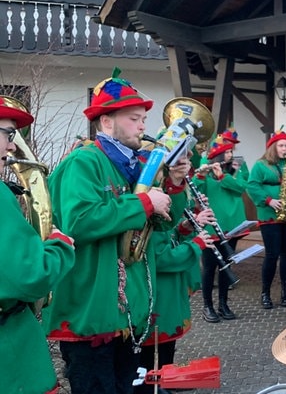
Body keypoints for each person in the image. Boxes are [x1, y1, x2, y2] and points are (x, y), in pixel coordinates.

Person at [44, 70, 188, 394]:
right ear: (106, 122)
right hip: (92, 316)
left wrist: (175, 185)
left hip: (128, 314)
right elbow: (78, 221)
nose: (143, 126)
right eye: (134, 118)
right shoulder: (83, 162)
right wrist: (144, 203)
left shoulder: (137, 164)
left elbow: (163, 225)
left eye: (143, 119)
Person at [0, 96, 76, 394]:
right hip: (10, 354)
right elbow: (31, 277)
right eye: (8, 133)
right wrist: (60, 245)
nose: (12, 145)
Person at [135, 166, 216, 394]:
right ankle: (154, 386)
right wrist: (197, 245)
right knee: (150, 352)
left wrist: (184, 227)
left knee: (166, 347)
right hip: (159, 294)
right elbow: (161, 258)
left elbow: (169, 237)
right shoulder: (147, 216)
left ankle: (165, 383)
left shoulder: (160, 214)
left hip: (170, 291)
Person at [247, 127, 286, 309]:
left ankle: (285, 292)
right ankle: (265, 293)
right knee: (271, 254)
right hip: (270, 215)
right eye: (281, 146)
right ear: (273, 147)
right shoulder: (261, 165)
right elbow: (252, 186)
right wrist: (268, 200)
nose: (285, 149)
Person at [193, 134, 248, 322]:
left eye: (231, 151)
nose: (231, 155)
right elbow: (195, 188)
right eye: (228, 152)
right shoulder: (205, 171)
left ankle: (223, 304)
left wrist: (222, 176)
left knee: (227, 265)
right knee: (209, 268)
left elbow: (241, 188)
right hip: (211, 227)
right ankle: (207, 306)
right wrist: (201, 173)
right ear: (217, 156)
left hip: (232, 226)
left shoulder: (234, 170)